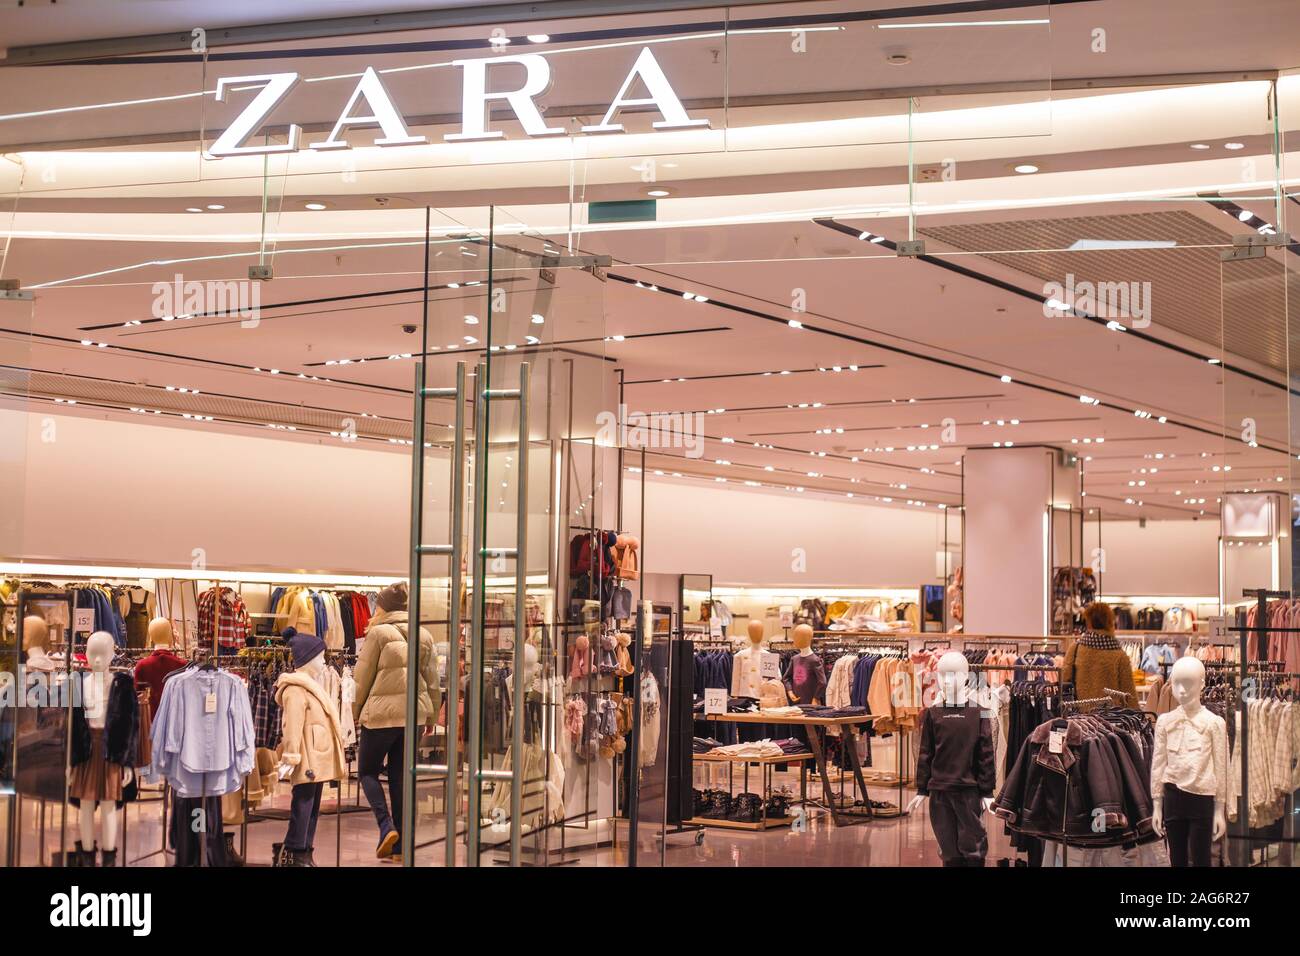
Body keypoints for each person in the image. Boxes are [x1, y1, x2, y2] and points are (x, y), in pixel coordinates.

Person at [352, 582, 439, 860]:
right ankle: (402, 849)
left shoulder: (377, 634)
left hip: (381, 717)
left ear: (383, 607)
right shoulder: (424, 635)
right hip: (414, 715)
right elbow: (433, 682)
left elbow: (361, 679)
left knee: (366, 771)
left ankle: (385, 825)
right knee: (400, 778)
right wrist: (432, 714)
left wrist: (354, 712)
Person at [1062, 602, 1138, 706]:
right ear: (1110, 622)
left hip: (1078, 717)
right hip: (1110, 719)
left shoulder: (1075, 649)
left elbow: (1064, 681)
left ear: (1089, 622)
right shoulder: (1120, 656)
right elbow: (1129, 695)